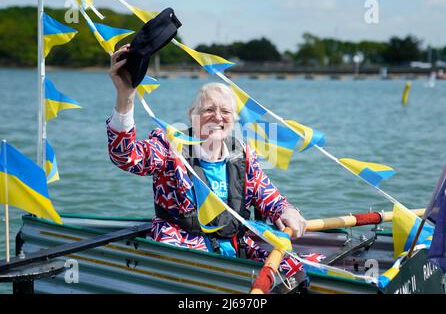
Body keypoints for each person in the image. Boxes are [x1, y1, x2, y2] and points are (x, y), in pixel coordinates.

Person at [106, 44, 308, 278]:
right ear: (192, 115)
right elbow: (125, 156)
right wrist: (125, 97)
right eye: (209, 110)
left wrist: (287, 211)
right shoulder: (170, 147)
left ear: (233, 120)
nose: (218, 117)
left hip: (235, 247)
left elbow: (268, 197)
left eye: (226, 112)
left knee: (296, 270)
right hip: (185, 251)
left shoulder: (242, 155)